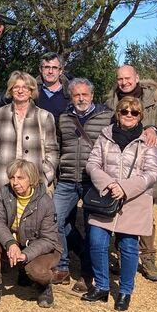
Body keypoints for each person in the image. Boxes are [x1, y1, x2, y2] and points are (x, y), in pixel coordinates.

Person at [83, 97, 157, 311]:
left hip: (134, 200)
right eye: (124, 111)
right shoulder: (105, 135)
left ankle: (125, 291)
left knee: (128, 246)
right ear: (118, 113)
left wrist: (125, 188)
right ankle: (101, 286)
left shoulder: (147, 140)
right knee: (97, 242)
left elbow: (152, 172)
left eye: (134, 112)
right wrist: (109, 184)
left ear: (140, 116)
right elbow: (92, 163)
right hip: (106, 196)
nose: (129, 115)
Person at [106, 65, 157, 282]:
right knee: (119, 212)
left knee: (145, 214)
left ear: (137, 78)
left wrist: (154, 164)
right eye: (120, 79)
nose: (124, 82)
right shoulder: (111, 102)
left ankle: (148, 257)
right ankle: (120, 256)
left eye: (128, 78)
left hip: (146, 171)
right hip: (120, 168)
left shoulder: (155, 101)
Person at [51, 78, 112, 291]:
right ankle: (62, 266)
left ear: (92, 96)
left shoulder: (107, 117)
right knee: (54, 219)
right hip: (67, 179)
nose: (81, 98)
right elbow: (57, 146)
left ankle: (87, 274)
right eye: (76, 95)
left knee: (91, 228)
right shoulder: (64, 118)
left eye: (85, 94)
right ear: (71, 96)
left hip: (92, 182)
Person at [0, 159, 62, 311]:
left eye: (20, 178)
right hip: (14, 241)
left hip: (40, 246)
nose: (15, 182)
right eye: (12, 178)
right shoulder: (4, 193)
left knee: (35, 270)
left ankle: (44, 286)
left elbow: (49, 239)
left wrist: (26, 254)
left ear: (31, 179)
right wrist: (10, 243)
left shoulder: (45, 202)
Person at [0, 71, 59, 209]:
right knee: (2, 218)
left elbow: (52, 150)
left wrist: (46, 174)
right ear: (10, 90)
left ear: (31, 91)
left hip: (34, 180)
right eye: (16, 87)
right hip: (3, 177)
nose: (20, 91)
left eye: (25, 87)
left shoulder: (44, 116)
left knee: (32, 219)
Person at [36, 52, 70, 122]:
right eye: (47, 67)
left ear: (60, 71)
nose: (50, 71)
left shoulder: (71, 93)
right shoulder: (30, 92)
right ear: (40, 69)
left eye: (54, 68)